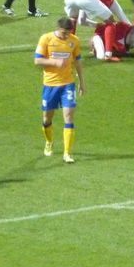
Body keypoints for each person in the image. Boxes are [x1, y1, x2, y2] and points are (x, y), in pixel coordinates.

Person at [35, 17, 86, 164]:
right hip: (50, 85)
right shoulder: (46, 39)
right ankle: (49, 142)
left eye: (68, 33)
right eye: (64, 33)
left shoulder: (74, 41)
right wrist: (54, 62)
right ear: (58, 29)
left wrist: (82, 82)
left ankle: (67, 153)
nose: (66, 36)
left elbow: (78, 61)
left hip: (67, 84)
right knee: (47, 119)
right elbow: (37, 60)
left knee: (69, 116)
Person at [63, 0, 131, 61]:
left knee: (73, 19)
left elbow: (81, 21)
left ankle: (67, 50)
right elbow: (123, 18)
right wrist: (130, 28)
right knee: (110, 21)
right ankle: (108, 55)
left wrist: (98, 25)